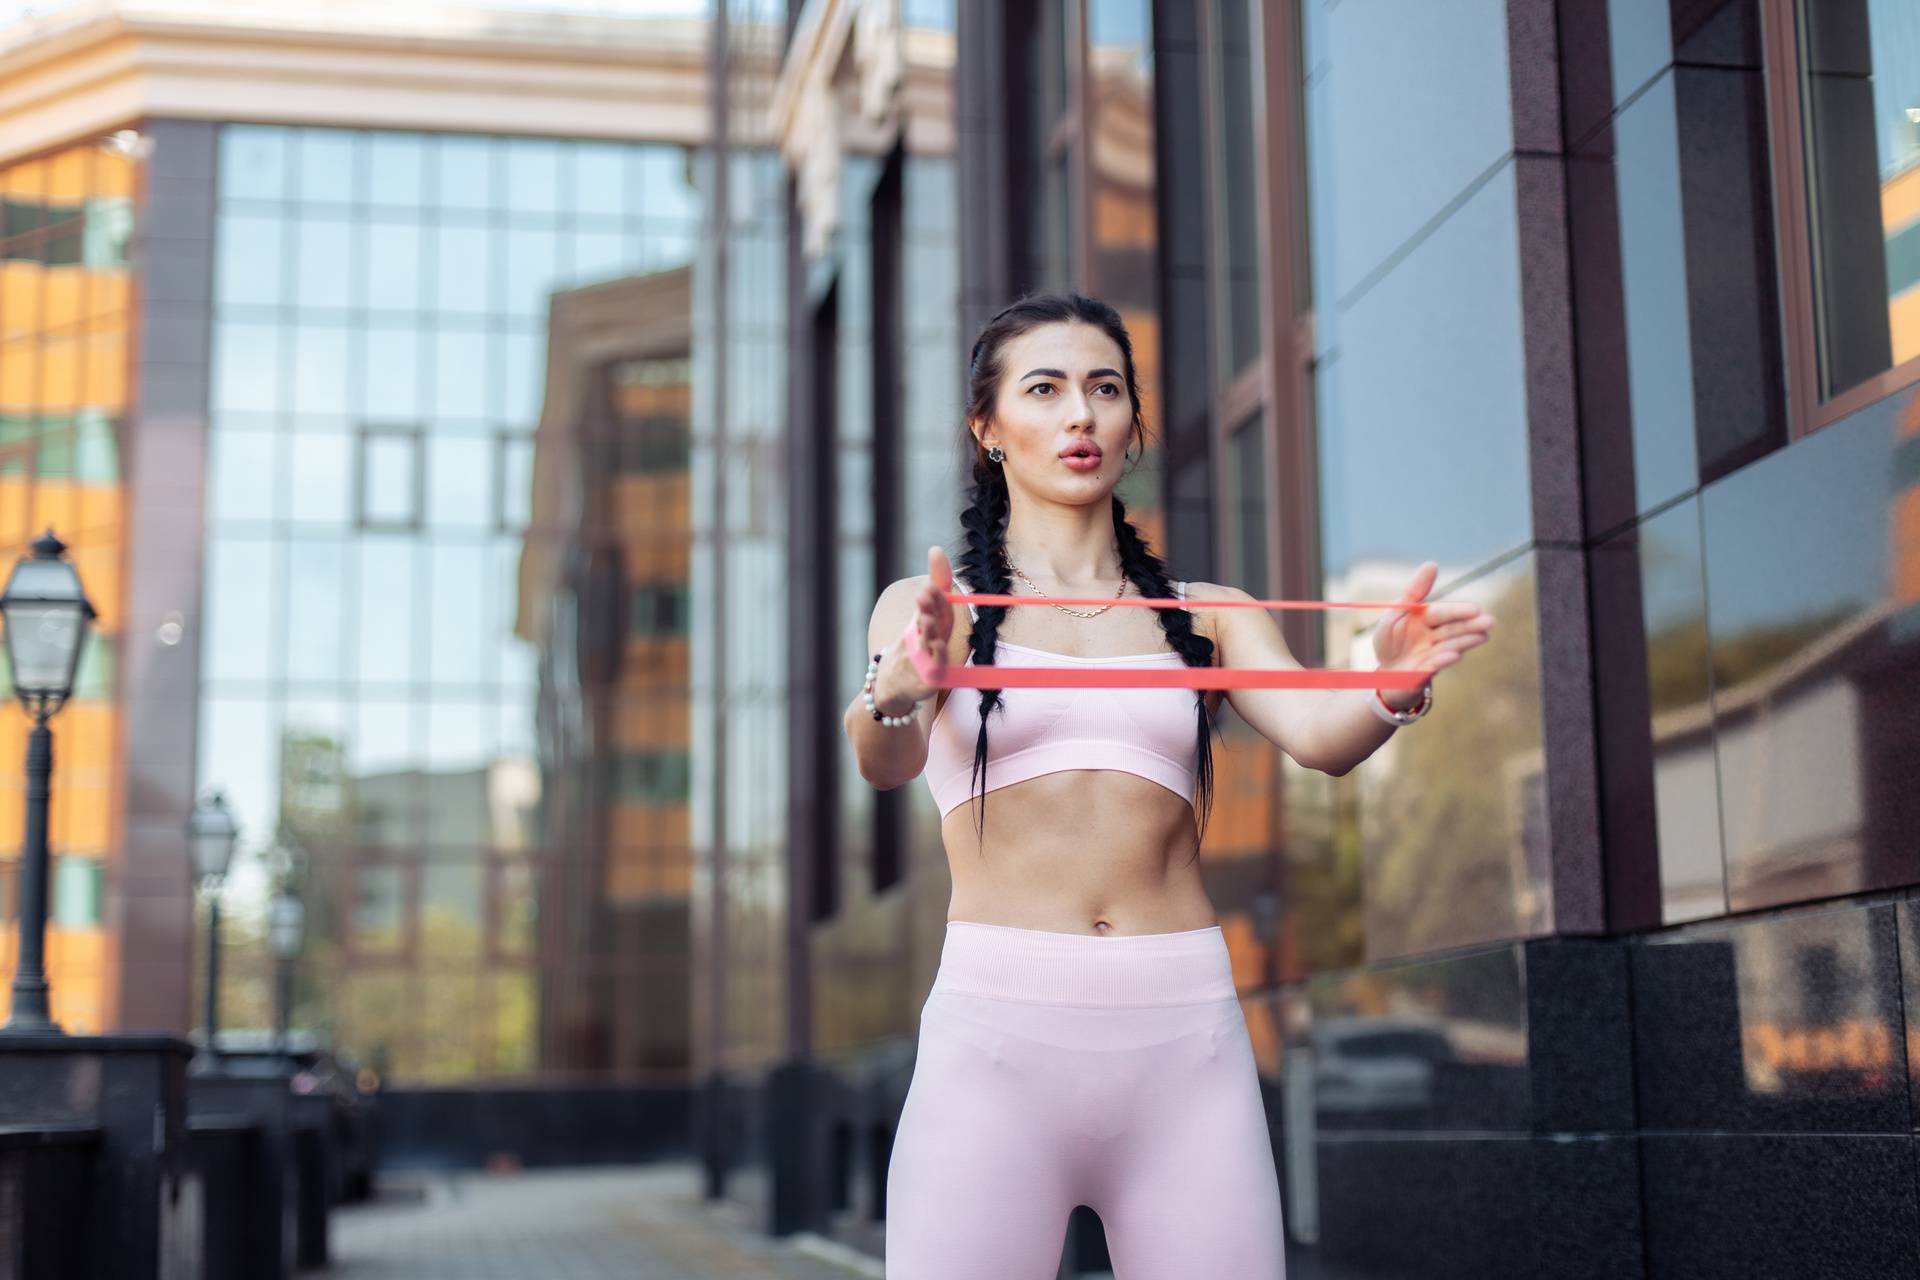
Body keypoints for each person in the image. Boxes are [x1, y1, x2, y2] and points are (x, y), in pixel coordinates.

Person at [842, 292, 1494, 1278]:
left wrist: (1388, 688)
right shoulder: (936, 608)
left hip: (1186, 1048)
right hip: (995, 1050)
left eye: (1105, 389)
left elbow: (1321, 733)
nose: (1079, 414)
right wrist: (896, 689)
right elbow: (881, 757)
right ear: (989, 426)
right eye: (1045, 388)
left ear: (1133, 425)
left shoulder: (1210, 615)